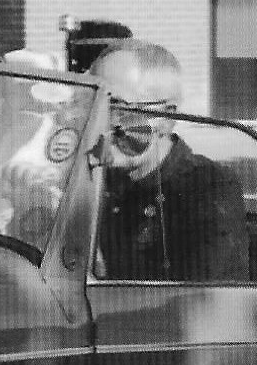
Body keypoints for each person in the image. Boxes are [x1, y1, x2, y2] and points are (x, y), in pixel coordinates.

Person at [91, 40, 248, 282]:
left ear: (165, 118)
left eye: (118, 108)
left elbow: (192, 295)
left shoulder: (206, 187)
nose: (101, 122)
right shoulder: (95, 179)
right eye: (92, 106)